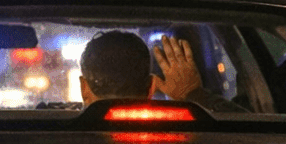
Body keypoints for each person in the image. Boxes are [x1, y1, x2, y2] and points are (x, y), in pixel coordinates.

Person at [78, 30, 232, 109]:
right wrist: (194, 94)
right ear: (152, 86)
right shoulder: (190, 135)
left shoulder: (61, 137)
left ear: (84, 88)